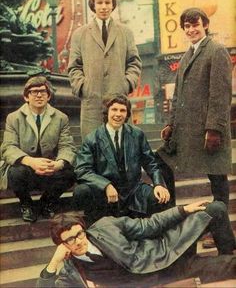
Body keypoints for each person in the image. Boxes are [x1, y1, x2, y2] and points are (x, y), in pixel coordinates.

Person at [37, 201, 236, 287]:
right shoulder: (72, 270)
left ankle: (225, 253)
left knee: (215, 208)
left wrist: (183, 210)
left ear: (83, 228)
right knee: (231, 265)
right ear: (61, 244)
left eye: (79, 234)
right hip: (167, 275)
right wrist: (53, 263)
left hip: (163, 253)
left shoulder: (105, 226)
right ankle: (224, 262)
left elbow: (148, 225)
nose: (78, 241)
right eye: (69, 240)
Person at [158, 7, 232, 207]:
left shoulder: (216, 51)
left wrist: (214, 129)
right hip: (187, 131)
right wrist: (170, 124)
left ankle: (221, 225)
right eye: (187, 26)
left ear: (205, 25)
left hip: (207, 130)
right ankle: (170, 212)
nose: (191, 30)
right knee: (161, 160)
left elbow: (220, 94)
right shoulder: (185, 57)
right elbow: (177, 97)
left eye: (195, 25)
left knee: (217, 176)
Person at [73, 95, 175, 224]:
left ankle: (150, 231)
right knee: (81, 191)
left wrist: (159, 184)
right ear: (106, 112)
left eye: (122, 110)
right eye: (114, 110)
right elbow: (82, 170)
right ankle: (95, 226)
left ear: (127, 114)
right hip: (105, 193)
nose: (118, 114)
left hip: (133, 189)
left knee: (160, 197)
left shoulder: (137, 134)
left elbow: (151, 163)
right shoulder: (92, 138)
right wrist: (105, 185)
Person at [68, 0, 142, 140]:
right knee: (92, 147)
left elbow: (134, 62)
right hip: (91, 102)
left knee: (121, 147)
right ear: (93, 5)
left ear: (113, 5)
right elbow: (74, 66)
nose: (104, 7)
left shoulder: (125, 32)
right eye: (99, 3)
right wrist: (83, 87)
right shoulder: (80, 34)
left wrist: (126, 84)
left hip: (119, 101)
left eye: (107, 2)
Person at [0, 76, 76, 222]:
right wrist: (30, 161)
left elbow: (67, 146)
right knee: (15, 172)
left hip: (49, 170)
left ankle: (46, 203)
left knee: (70, 173)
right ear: (26, 97)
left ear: (48, 96)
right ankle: (26, 204)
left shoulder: (61, 118)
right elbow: (8, 147)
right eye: (34, 92)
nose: (39, 95)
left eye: (43, 92)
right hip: (27, 170)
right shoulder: (13, 118)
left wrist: (58, 164)